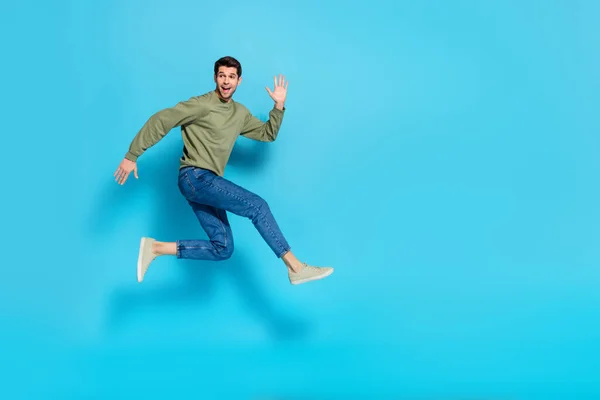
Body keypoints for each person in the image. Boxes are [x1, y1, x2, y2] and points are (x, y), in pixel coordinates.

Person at [113, 56, 333, 286]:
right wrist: (132, 155)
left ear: (239, 81)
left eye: (231, 77)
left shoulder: (240, 113)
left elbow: (267, 134)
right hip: (194, 177)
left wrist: (278, 106)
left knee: (224, 248)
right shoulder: (202, 104)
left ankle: (156, 248)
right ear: (215, 78)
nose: (226, 82)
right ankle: (295, 267)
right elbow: (162, 120)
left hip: (205, 183)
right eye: (221, 76)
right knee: (257, 206)